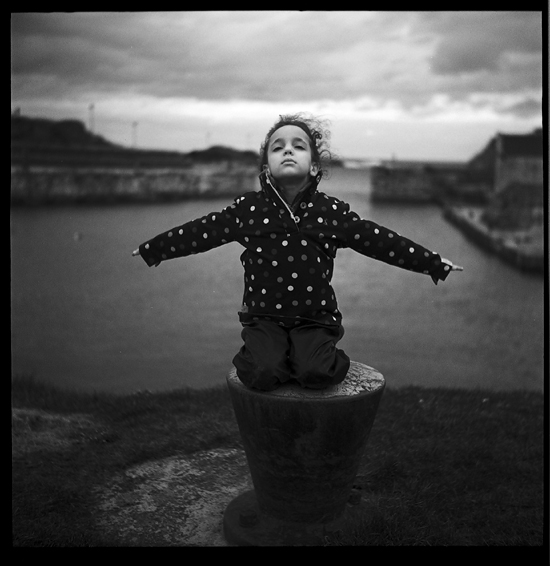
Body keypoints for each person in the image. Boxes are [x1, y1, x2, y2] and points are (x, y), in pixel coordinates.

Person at [132, 113, 463, 392]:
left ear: (315, 165)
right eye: (278, 148)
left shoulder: (330, 211)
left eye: (298, 146)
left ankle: (309, 353)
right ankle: (272, 352)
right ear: (266, 167)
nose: (287, 151)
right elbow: (203, 231)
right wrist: (157, 248)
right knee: (261, 374)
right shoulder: (249, 209)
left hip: (314, 318)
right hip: (264, 318)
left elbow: (378, 240)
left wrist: (431, 263)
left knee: (317, 373)